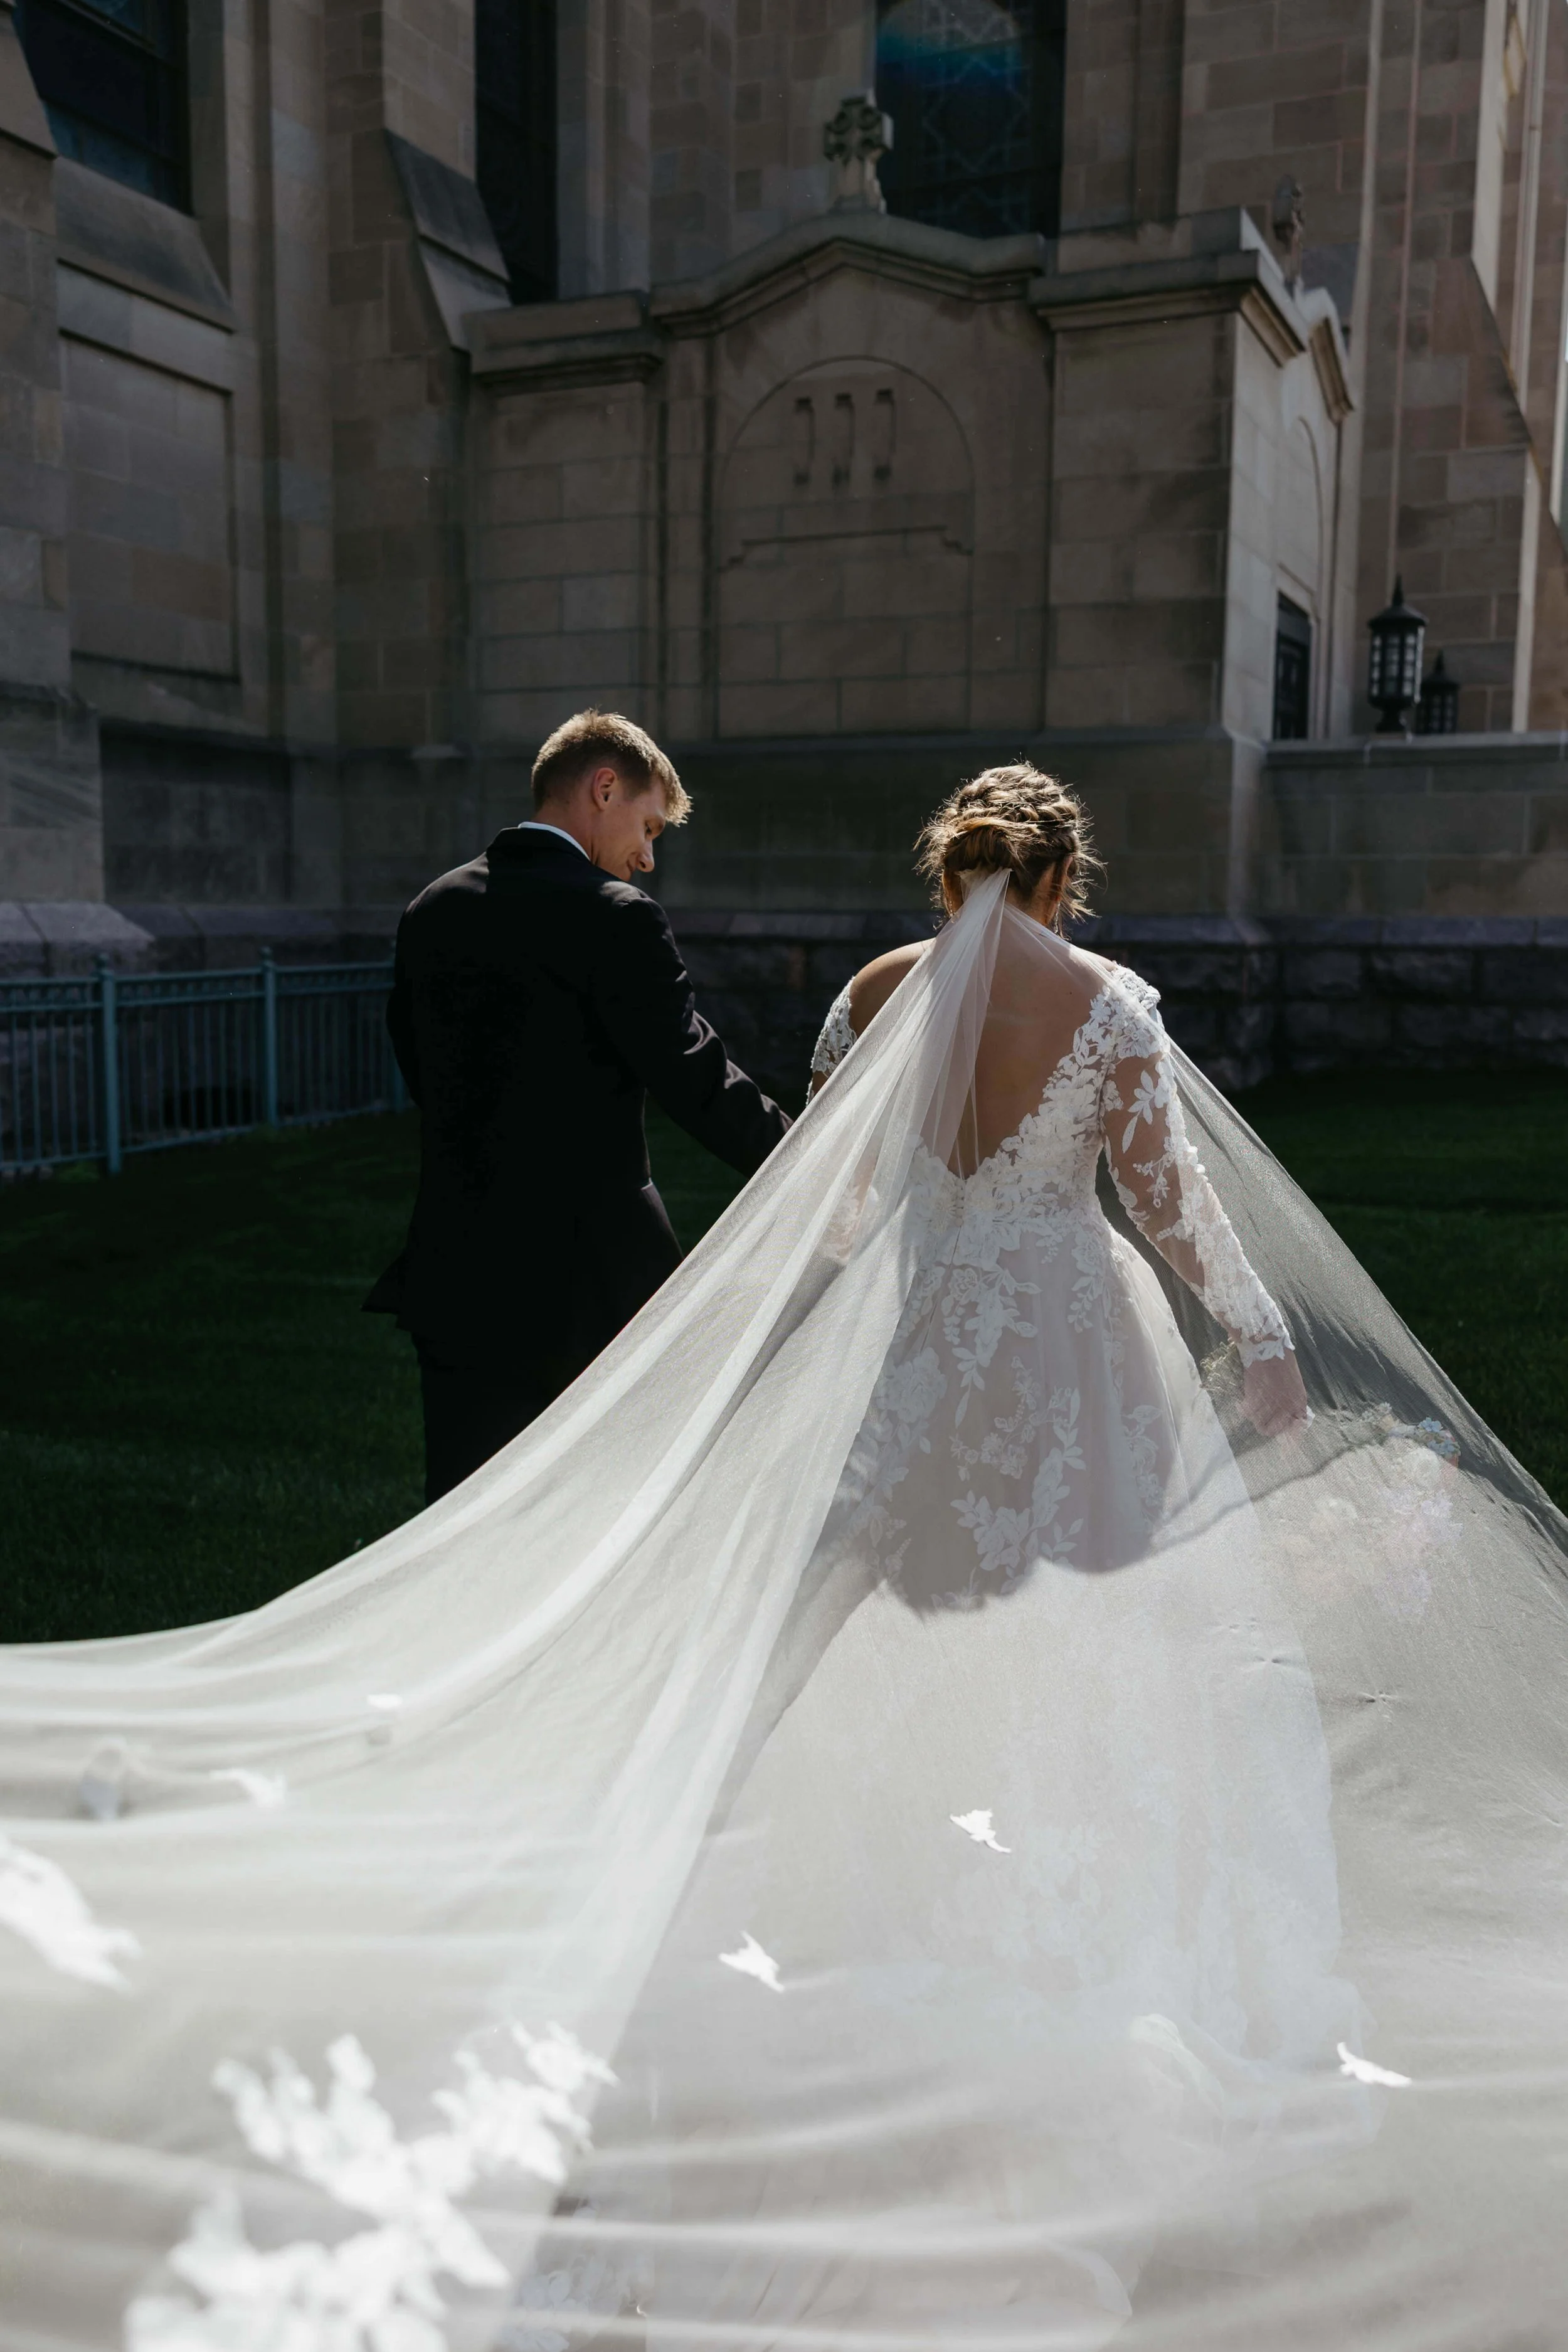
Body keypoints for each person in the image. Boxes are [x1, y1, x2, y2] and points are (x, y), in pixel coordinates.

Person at [4, 766, 1567, 2351]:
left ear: (947, 868)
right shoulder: (1104, 1003)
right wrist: (1256, 1328)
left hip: (923, 1349)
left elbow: (839, 1197)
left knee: (888, 1633)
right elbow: (1167, 1200)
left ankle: (872, 1932)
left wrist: (802, 1329)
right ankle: (1053, 1963)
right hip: (1072, 1355)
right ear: (1060, 876)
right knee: (1094, 1640)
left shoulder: (882, 992)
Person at [364, 708, 790, 1502]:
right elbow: (695, 1077)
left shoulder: (433, 908)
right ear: (604, 787)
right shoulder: (614, 915)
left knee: (465, 1519)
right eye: (650, 826)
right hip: (592, 1281)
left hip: (458, 1269)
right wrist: (810, 1152)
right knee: (606, 1519)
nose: (648, 856)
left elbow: (422, 1069)